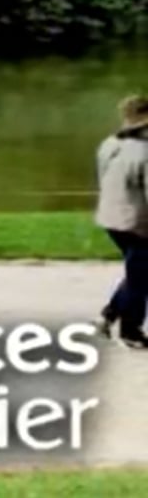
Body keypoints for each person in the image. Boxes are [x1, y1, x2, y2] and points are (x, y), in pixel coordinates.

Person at [96, 95, 148, 349]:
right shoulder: (145, 151)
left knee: (139, 271)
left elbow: (101, 177)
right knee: (140, 276)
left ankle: (109, 317)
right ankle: (129, 330)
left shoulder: (109, 144)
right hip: (137, 222)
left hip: (110, 217)